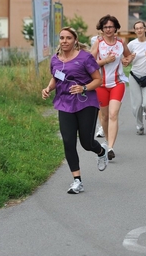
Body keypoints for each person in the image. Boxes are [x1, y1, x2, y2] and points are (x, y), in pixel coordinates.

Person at [42, 27, 108, 194]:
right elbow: (55, 77)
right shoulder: (55, 60)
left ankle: (101, 151)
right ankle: (77, 180)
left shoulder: (85, 58)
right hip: (64, 104)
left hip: (86, 103)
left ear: (75, 41)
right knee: (68, 142)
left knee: (86, 142)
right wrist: (48, 89)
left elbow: (98, 80)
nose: (64, 41)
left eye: (68, 38)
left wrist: (83, 88)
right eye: (62, 38)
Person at [90, 14, 133, 160]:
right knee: (104, 116)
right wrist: (105, 61)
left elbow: (128, 56)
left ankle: (110, 148)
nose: (108, 29)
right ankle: (108, 141)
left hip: (117, 83)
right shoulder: (98, 43)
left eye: (111, 27)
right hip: (101, 85)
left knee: (113, 114)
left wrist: (127, 60)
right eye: (105, 27)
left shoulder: (121, 43)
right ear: (101, 29)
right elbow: (89, 64)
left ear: (116, 28)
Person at [124, 20, 146, 135]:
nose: (139, 30)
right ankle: (139, 125)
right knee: (137, 105)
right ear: (135, 31)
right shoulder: (131, 44)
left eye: (141, 28)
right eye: (137, 28)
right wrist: (130, 58)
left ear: (145, 29)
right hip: (134, 76)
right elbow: (125, 62)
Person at [90, 35, 105, 138]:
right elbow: (92, 62)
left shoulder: (115, 42)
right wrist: (106, 61)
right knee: (100, 105)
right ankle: (102, 127)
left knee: (109, 109)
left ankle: (107, 124)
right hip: (98, 78)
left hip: (112, 79)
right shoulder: (95, 40)